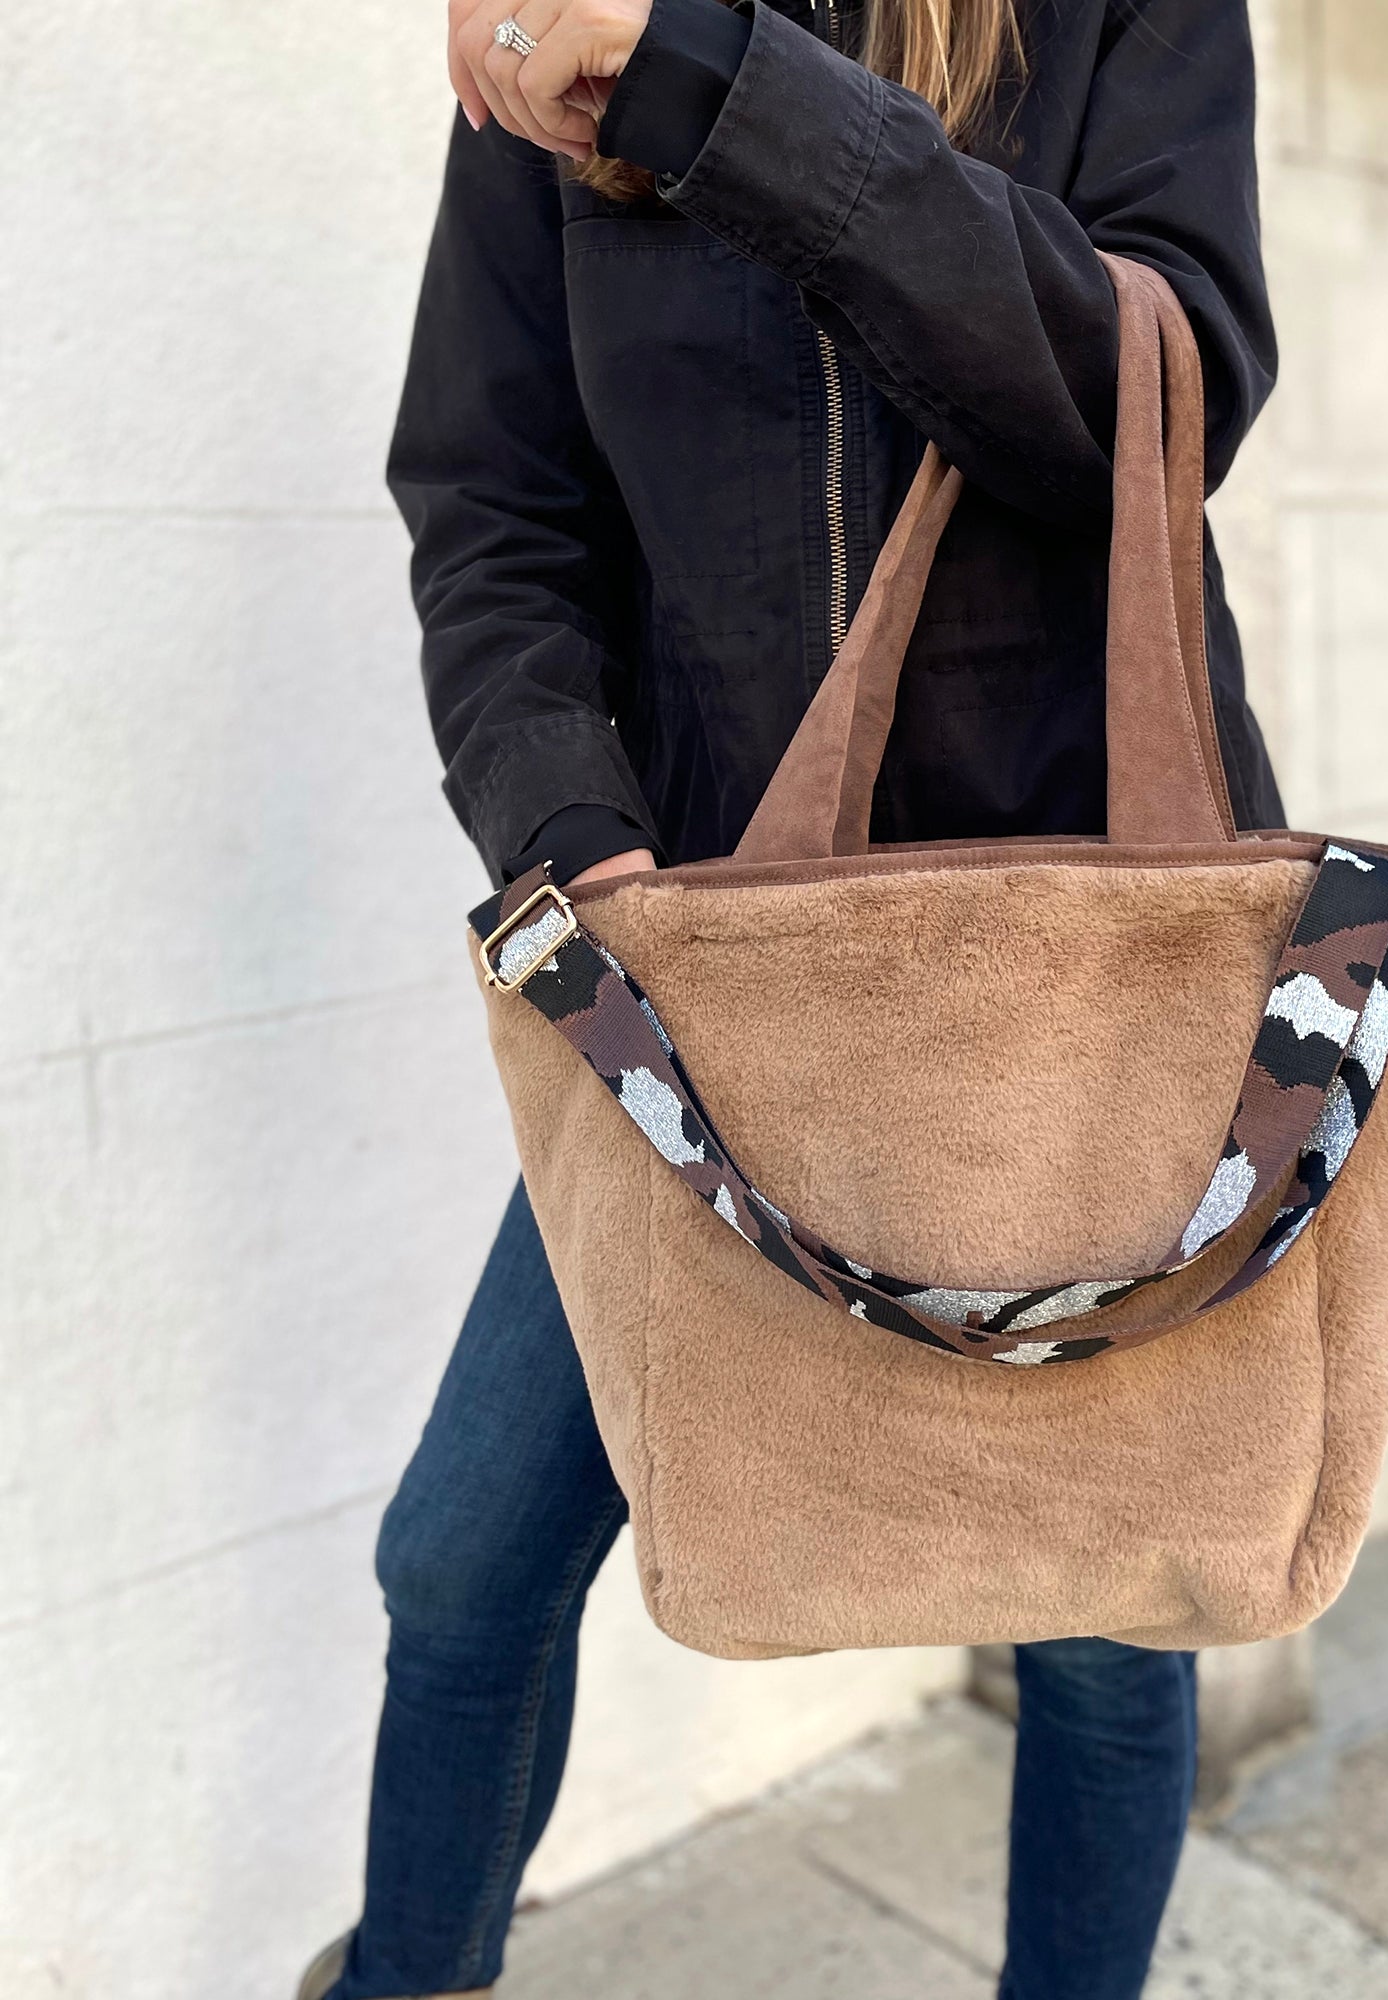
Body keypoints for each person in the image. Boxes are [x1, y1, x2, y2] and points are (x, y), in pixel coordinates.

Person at [302, 0, 1280, 1990]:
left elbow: (1149, 405)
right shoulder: (551, 54)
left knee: (1100, 1612)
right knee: (466, 1559)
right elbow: (490, 514)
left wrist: (724, 91)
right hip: (705, 987)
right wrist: (577, 846)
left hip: (1073, 970)